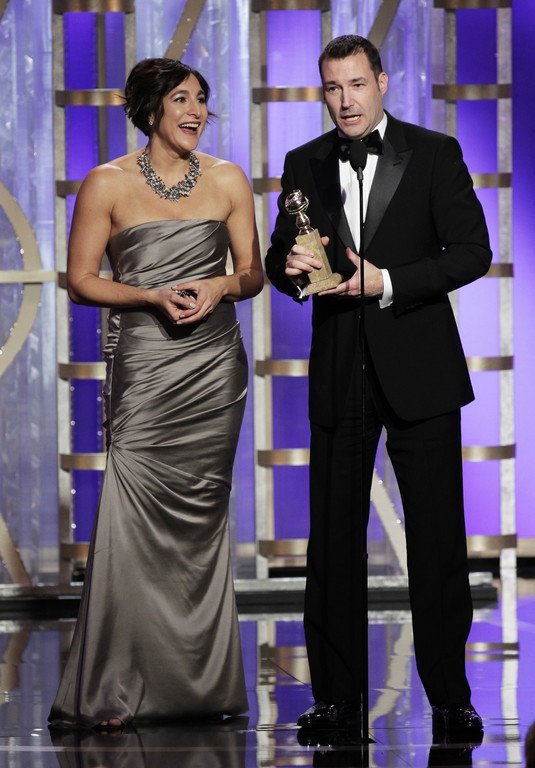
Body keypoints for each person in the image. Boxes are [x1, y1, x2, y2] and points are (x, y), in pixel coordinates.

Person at [265, 35, 491, 739]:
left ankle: (450, 697)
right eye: (332, 88)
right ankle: (336, 699)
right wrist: (291, 268)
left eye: (356, 85)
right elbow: (278, 259)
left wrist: (386, 281)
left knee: (436, 540)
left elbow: (472, 253)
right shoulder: (303, 162)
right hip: (340, 370)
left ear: (382, 83)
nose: (345, 101)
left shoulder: (434, 152)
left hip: (420, 370)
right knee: (332, 543)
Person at [49, 58, 263, 729]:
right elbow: (81, 280)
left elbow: (252, 273)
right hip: (145, 367)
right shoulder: (106, 183)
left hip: (212, 369)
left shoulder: (228, 179)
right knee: (132, 519)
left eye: (201, 99)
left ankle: (198, 689)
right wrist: (149, 295)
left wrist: (221, 285)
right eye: (181, 99)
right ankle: (117, 685)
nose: (195, 110)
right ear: (150, 111)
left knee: (200, 525)